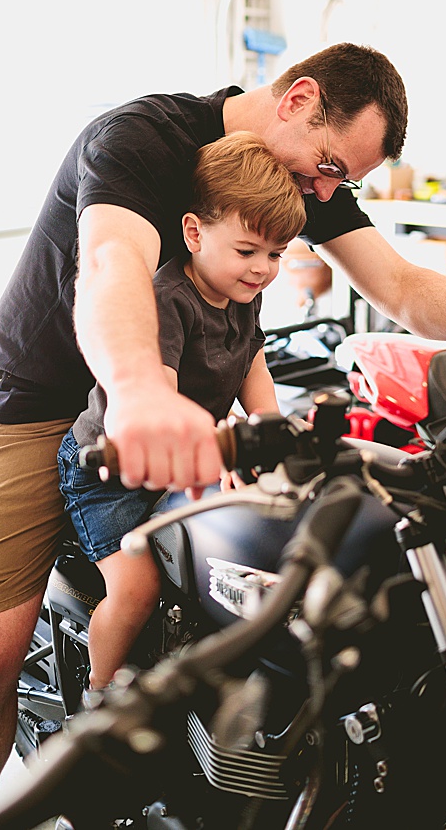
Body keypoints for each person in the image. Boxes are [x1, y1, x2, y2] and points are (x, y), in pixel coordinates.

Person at [0, 43, 446, 818]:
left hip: (173, 409)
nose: (321, 191)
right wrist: (141, 385)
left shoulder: (293, 178)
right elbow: (111, 262)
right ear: (297, 98)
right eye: (325, 165)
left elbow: (401, 286)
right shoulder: (141, 142)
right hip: (44, 398)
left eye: (338, 181)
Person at [58, 132, 305, 694]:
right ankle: (101, 695)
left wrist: (275, 432)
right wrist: (221, 440)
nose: (262, 269)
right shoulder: (168, 297)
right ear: (194, 232)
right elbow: (163, 404)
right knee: (138, 587)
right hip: (111, 470)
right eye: (247, 251)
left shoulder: (245, 295)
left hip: (189, 456)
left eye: (275, 255)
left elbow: (253, 368)